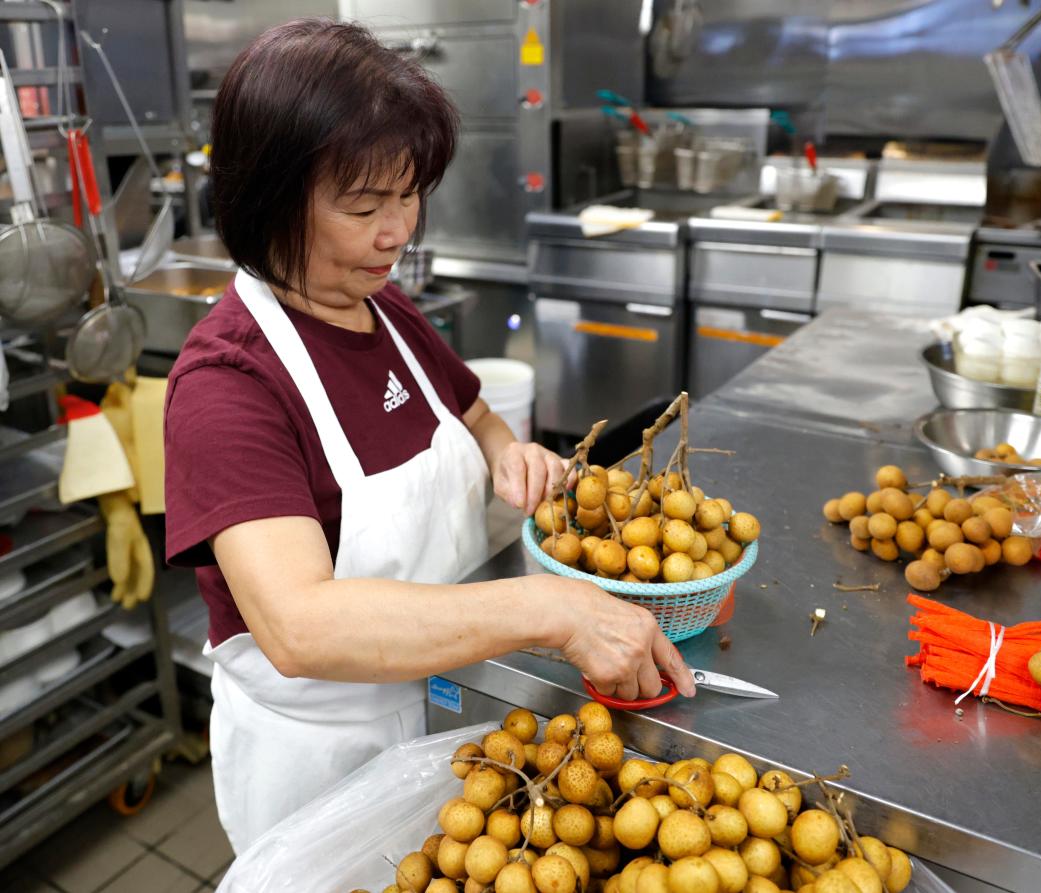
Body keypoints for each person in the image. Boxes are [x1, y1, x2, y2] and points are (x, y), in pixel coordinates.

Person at [163, 18, 694, 854]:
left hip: (458, 716)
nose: (397, 231)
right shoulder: (226, 386)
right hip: (327, 769)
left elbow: (473, 414)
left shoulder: (389, 311)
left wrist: (505, 450)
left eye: (408, 195)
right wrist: (547, 607)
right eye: (364, 205)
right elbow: (299, 625)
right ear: (267, 196)